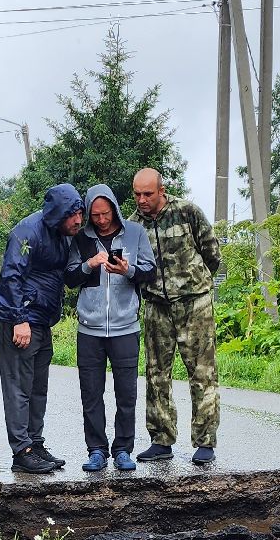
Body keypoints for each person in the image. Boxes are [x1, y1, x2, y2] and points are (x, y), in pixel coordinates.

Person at [130, 168, 222, 465]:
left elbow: (211, 253)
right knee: (156, 374)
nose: (142, 200)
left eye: (148, 194)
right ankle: (161, 440)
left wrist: (194, 283)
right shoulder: (133, 225)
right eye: (137, 194)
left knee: (202, 373)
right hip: (157, 305)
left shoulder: (186, 212)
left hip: (194, 304)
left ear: (161, 190)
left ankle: (205, 442)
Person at [0, 184, 85, 474]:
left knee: (38, 387)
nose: (79, 220)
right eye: (73, 215)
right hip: (18, 319)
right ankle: (22, 451)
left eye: (80, 213)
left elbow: (62, 276)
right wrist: (19, 319)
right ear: (59, 213)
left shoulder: (62, 235)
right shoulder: (27, 232)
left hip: (42, 319)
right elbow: (11, 276)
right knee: (19, 386)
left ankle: (35, 443)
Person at [65, 183, 156, 472]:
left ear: (115, 209)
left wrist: (127, 270)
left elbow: (150, 271)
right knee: (91, 394)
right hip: (89, 330)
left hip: (126, 328)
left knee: (126, 394)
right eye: (95, 215)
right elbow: (70, 278)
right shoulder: (80, 238)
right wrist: (89, 264)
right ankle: (96, 450)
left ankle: (123, 451)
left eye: (106, 213)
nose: (102, 220)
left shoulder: (135, 232)